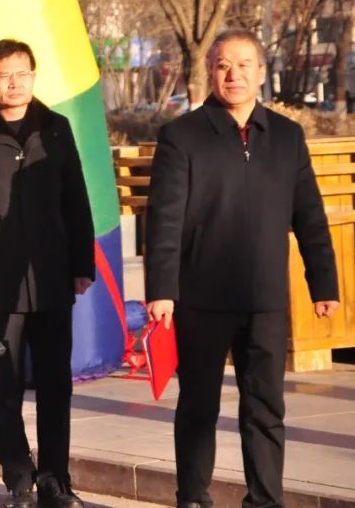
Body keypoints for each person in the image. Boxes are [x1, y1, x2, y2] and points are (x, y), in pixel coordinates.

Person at [145, 29, 340, 508]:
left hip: (264, 298)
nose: (234, 75)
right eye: (223, 66)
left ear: (261, 72)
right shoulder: (181, 137)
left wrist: (324, 283)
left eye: (244, 65)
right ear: (211, 72)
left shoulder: (287, 137)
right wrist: (162, 290)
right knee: (198, 407)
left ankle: (265, 500)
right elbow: (165, 220)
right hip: (200, 298)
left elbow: (310, 215)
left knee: (266, 409)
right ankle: (194, 497)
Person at [0, 39, 94, 508]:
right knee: (4, 384)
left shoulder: (55, 129)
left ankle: (55, 478)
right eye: (4, 75)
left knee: (55, 384)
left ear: (33, 75)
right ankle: (18, 478)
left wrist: (82, 264)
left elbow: (76, 199)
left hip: (51, 274)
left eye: (22, 73)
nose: (14, 83)